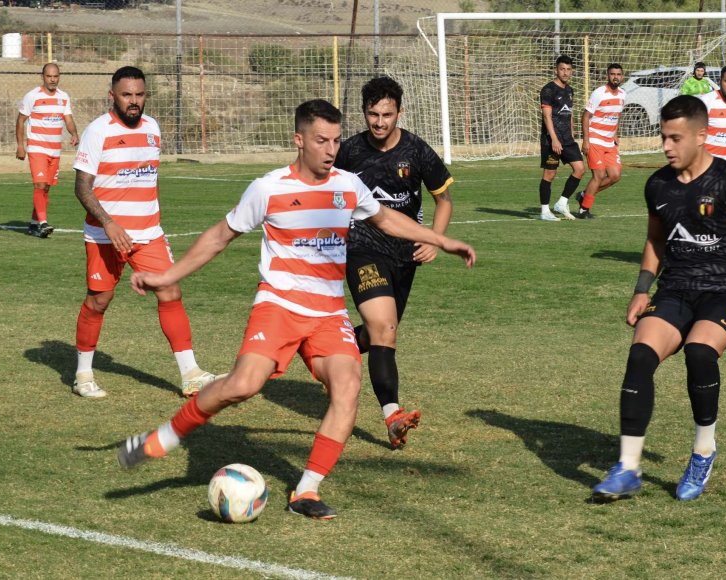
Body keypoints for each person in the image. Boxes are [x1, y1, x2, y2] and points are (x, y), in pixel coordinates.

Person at [116, 99, 476, 520]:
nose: (330, 149)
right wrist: (166, 276)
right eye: (322, 140)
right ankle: (165, 436)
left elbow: (387, 219)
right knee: (243, 385)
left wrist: (441, 240)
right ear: (299, 140)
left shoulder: (346, 185)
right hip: (279, 306)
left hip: (327, 314)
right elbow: (218, 236)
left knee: (347, 387)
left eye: (337, 140)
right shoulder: (269, 189)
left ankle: (306, 490)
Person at [592, 95, 726, 502]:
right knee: (640, 354)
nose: (666, 146)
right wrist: (642, 289)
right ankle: (627, 467)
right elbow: (655, 240)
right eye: (663, 137)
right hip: (675, 288)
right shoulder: (658, 185)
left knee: (699, 353)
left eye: (675, 138)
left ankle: (703, 452)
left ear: (701, 136)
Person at [72, 66, 219, 399]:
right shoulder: (98, 131)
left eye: (139, 94)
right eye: (127, 95)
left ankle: (191, 374)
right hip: (104, 234)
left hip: (149, 233)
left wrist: (149, 218)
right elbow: (82, 188)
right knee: (99, 300)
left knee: (169, 291)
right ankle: (83, 374)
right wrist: (109, 223)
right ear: (113, 96)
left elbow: (147, 180)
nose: (134, 101)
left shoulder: (153, 127)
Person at [335, 76, 454, 448]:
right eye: (373, 114)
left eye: (387, 114)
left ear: (399, 113)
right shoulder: (350, 152)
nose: (380, 122)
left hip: (404, 255)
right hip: (361, 250)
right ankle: (392, 415)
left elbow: (445, 199)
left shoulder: (417, 151)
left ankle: (328, 348)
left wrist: (432, 241)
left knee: (377, 334)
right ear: (364, 113)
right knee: (384, 327)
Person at [15, 63, 79, 238]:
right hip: (37, 147)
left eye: (56, 76)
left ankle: (34, 224)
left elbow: (68, 118)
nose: (53, 79)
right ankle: (43, 223)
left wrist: (74, 133)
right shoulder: (32, 96)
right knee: (40, 185)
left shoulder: (64, 97)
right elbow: (21, 120)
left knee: (46, 189)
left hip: (55, 150)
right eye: (49, 76)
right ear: (42, 76)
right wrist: (21, 146)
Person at [538, 55, 584, 221]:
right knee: (550, 173)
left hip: (567, 139)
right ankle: (544, 211)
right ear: (556, 70)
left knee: (579, 169)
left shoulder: (570, 90)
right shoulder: (548, 90)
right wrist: (554, 139)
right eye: (562, 69)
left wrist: (572, 133)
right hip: (552, 139)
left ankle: (562, 203)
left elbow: (569, 113)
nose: (565, 73)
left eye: (568, 70)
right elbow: (547, 117)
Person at [577, 63, 626, 219]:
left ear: (622, 77)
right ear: (607, 76)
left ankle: (585, 194)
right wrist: (586, 140)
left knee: (615, 176)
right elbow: (585, 116)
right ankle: (584, 210)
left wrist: (615, 134)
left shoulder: (623, 95)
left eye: (618, 74)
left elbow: (616, 116)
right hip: (595, 139)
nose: (615, 77)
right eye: (612, 74)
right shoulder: (599, 93)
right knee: (598, 175)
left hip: (609, 142)